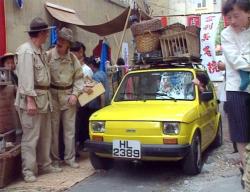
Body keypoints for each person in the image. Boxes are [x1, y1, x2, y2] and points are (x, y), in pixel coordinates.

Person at [15, 17, 62, 183]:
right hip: (32, 99)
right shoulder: (26, 51)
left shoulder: (40, 50)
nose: (48, 36)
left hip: (44, 99)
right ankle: (28, 170)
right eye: (47, 33)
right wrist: (30, 100)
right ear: (41, 33)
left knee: (45, 135)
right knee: (30, 137)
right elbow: (26, 78)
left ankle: (45, 164)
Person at [221, 0, 250, 189]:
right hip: (235, 89)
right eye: (229, 17)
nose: (232, 20)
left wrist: (243, 58)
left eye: (236, 15)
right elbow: (233, 60)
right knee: (240, 134)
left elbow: (240, 59)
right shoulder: (225, 34)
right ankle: (247, 171)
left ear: (249, 13)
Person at [48, 27, 83, 168]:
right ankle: (55, 160)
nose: (59, 42)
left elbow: (79, 79)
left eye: (63, 40)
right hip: (53, 95)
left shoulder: (73, 59)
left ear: (68, 44)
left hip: (68, 96)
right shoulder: (48, 55)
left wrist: (75, 94)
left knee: (69, 130)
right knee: (53, 131)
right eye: (59, 38)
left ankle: (70, 158)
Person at [70, 41, 93, 152]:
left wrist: (82, 90)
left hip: (81, 102)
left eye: (74, 52)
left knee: (78, 127)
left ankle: (78, 147)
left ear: (81, 53)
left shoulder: (86, 70)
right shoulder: (72, 66)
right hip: (73, 100)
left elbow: (89, 87)